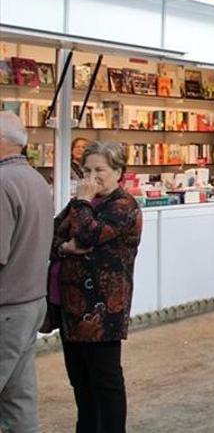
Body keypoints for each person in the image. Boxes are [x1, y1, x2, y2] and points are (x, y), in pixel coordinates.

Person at [53, 141, 143, 433]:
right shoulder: (83, 203)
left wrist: (81, 203)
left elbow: (89, 234)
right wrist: (67, 247)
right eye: (87, 170)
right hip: (72, 308)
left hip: (104, 311)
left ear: (119, 172)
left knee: (106, 381)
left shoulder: (123, 206)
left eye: (100, 170)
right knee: (80, 381)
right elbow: (53, 235)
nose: (91, 177)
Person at [0, 111, 53, 433]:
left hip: (6, 308)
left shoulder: (3, 183)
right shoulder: (35, 179)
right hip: (31, 302)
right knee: (19, 398)